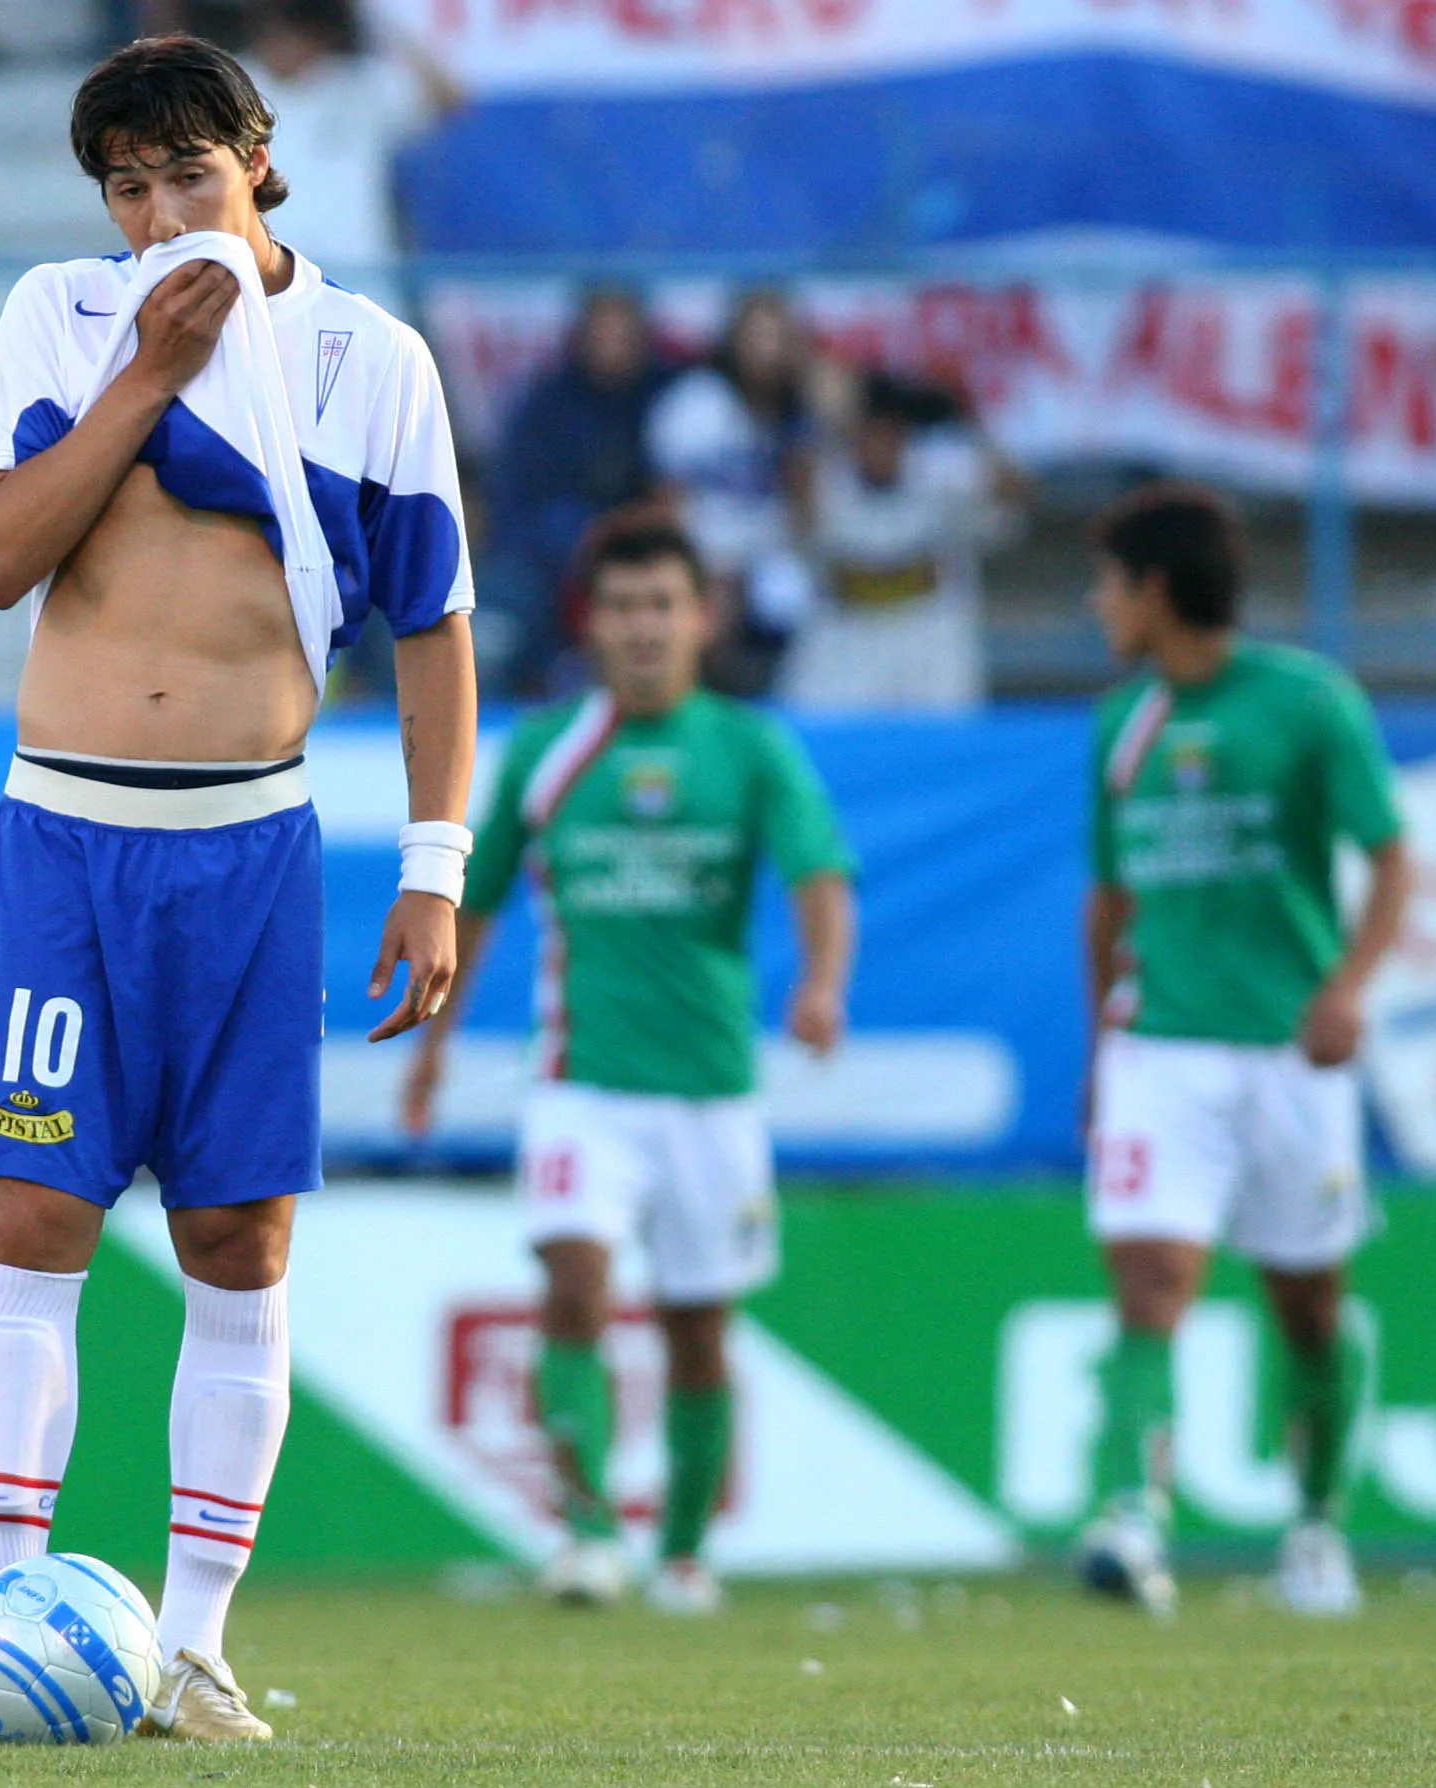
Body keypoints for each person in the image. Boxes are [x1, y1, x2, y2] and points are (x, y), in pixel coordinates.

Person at [0, 35, 475, 1744]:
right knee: (28, 1217)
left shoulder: (369, 360)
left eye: (190, 176)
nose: (162, 215)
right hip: (63, 836)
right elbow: (0, 556)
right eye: (129, 187)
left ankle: (199, 1646)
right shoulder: (60, 320)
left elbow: (436, 626)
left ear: (261, 163)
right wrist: (149, 377)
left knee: (238, 1233)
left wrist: (434, 868)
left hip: (252, 840)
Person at [400, 516, 855, 1614]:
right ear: (590, 622)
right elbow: (475, 904)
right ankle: (589, 1534)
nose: (642, 627)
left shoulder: (750, 750)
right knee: (572, 1286)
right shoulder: (547, 751)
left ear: (702, 617)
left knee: (699, 1332)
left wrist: (822, 983)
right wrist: (433, 1047)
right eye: (622, 606)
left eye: (662, 605)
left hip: (710, 1093)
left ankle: (687, 1555)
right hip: (581, 1082)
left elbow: (820, 878)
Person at [1078, 482, 1414, 1621]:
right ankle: (1132, 1518)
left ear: (1154, 590)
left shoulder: (1312, 704)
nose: (1095, 605)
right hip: (1158, 1051)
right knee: (1151, 1281)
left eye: (1108, 584)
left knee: (1308, 1305)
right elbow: (1108, 902)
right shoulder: (1119, 726)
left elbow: (1393, 859)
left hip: (1289, 1053)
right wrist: (1097, 1049)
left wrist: (1346, 990)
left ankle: (1316, 1528)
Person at [785, 370, 1026, 713]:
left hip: (931, 641)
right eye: (869, 434)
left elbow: (1017, 491)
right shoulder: (825, 481)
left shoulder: (944, 475)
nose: (880, 446)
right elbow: (798, 505)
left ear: (906, 436)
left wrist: (967, 416)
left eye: (891, 434)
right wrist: (825, 418)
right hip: (844, 643)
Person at [486, 286, 667, 697]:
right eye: (602, 333)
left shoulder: (667, 398)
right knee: (511, 589)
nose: (610, 345)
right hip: (555, 554)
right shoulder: (547, 404)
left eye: (621, 334)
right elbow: (518, 499)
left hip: (644, 546)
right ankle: (541, 685)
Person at [645, 290, 827, 688]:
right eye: (755, 336)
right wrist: (693, 564)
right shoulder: (696, 401)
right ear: (733, 339)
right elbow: (665, 500)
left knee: (790, 593)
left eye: (775, 337)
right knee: (702, 607)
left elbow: (807, 516)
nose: (765, 349)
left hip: (769, 554)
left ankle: (771, 704)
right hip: (705, 552)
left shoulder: (798, 410)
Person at [240, 0, 455, 278]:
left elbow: (448, 97)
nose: (287, 42)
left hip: (359, 281)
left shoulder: (360, 85)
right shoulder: (231, 83)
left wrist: (372, 14)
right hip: (266, 283)